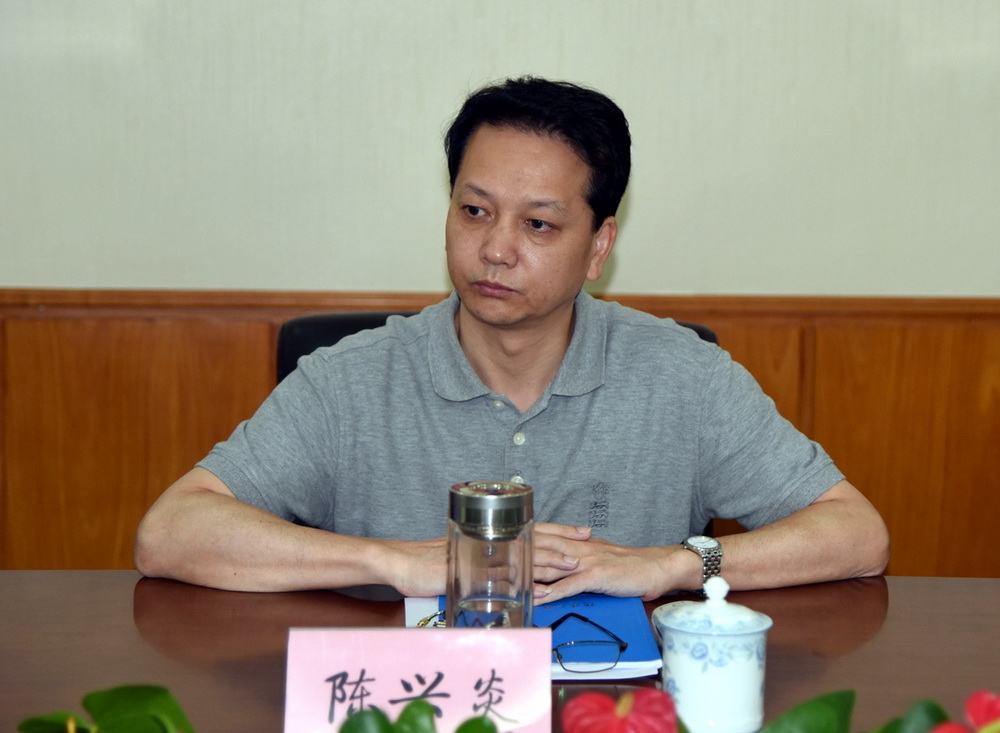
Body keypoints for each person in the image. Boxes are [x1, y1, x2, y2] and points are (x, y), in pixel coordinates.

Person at [135, 77, 888, 602]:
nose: (496, 248)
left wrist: (675, 564)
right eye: (474, 211)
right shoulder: (350, 381)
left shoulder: (684, 377)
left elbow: (856, 534)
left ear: (598, 246)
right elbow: (170, 532)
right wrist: (392, 561)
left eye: (537, 224)